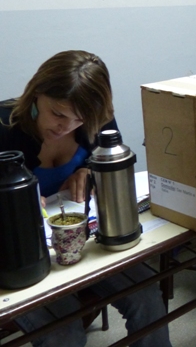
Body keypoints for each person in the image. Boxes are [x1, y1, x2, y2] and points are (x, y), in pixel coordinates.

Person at [0, 50, 172, 347]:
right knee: (63, 332)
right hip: (21, 256)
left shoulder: (95, 117)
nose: (65, 127)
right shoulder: (4, 128)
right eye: (57, 113)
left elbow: (106, 160)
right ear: (37, 93)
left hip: (85, 240)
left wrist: (87, 171)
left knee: (146, 296)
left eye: (78, 120)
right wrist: (15, 205)